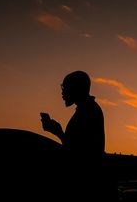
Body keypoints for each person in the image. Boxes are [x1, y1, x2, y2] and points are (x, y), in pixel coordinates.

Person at [40, 70, 108, 199]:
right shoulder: (87, 109)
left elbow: (80, 153)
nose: (62, 92)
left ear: (76, 89)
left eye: (65, 88)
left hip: (86, 185)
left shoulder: (88, 112)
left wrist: (58, 132)